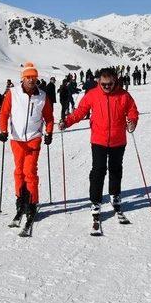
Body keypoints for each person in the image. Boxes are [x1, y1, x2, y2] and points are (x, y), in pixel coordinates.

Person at [59, 67, 139, 220]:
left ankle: (115, 196)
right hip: (98, 140)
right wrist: (67, 122)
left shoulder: (123, 95)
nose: (107, 87)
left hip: (118, 140)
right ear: (99, 82)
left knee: (116, 170)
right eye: (104, 84)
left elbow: (132, 111)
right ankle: (95, 201)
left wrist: (132, 122)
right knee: (98, 171)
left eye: (110, 84)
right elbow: (80, 111)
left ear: (114, 81)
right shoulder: (92, 94)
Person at [0, 62, 54, 227]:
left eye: (34, 77)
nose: (31, 80)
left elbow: (49, 117)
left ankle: (32, 203)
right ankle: (20, 201)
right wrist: (3, 131)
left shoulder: (42, 96)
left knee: (30, 171)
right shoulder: (13, 93)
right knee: (19, 171)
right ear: (23, 78)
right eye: (28, 77)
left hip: (34, 137)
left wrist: (49, 132)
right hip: (16, 139)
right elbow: (4, 113)